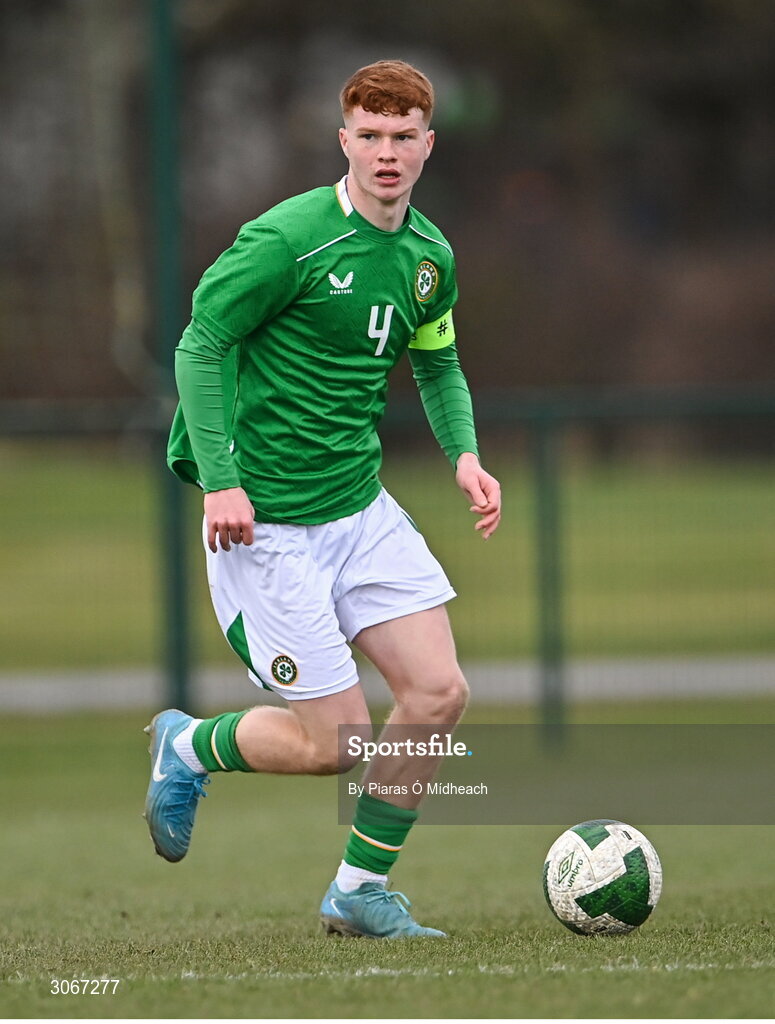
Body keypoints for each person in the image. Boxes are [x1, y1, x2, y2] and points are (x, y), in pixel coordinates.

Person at [144, 59, 501, 939]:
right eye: (369, 137)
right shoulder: (285, 239)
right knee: (334, 746)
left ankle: (356, 891)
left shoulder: (428, 256)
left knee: (437, 691)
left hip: (358, 507)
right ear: (344, 141)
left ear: (427, 145)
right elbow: (200, 344)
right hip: (263, 525)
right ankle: (188, 745)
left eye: (402, 136)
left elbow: (437, 357)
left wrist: (463, 455)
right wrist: (221, 479)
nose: (386, 153)